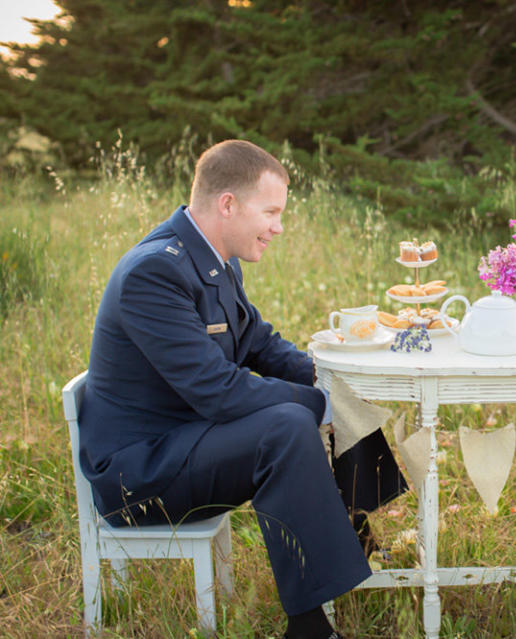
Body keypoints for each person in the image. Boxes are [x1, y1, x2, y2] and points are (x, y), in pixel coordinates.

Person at [78, 139, 407, 639]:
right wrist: (319, 403)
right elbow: (218, 393)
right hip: (138, 475)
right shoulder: (155, 271)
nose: (279, 226)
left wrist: (336, 380)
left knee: (323, 397)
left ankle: (355, 534)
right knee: (289, 424)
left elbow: (258, 342)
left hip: (185, 442)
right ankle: (309, 627)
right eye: (271, 211)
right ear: (228, 204)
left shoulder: (214, 257)